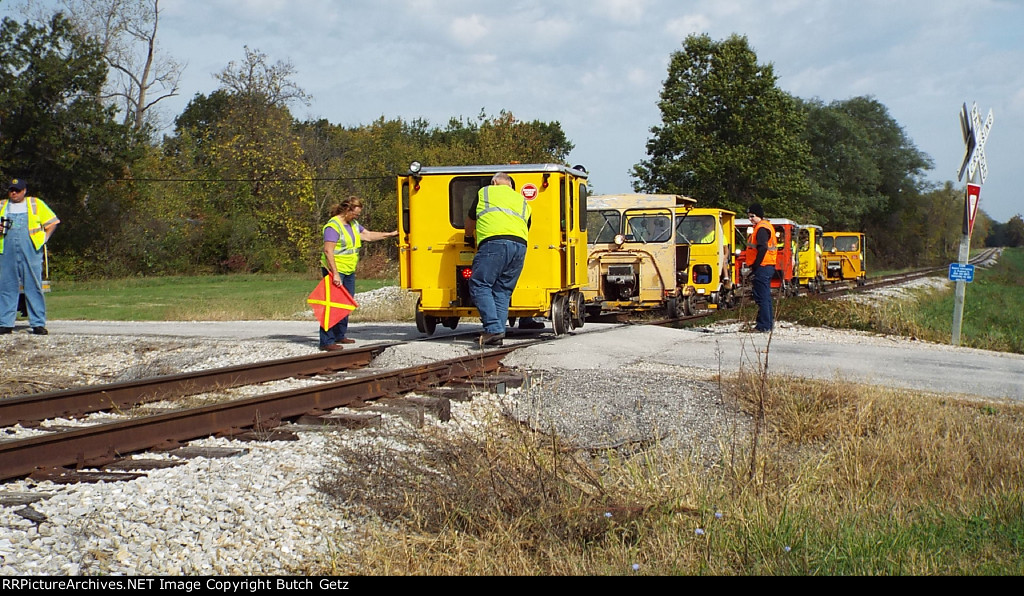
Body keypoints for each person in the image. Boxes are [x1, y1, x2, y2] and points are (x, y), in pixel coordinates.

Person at [319, 196, 398, 351]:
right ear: (347, 210)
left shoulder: (353, 225)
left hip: (348, 269)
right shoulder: (333, 226)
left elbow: (368, 235)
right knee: (332, 304)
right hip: (335, 270)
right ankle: (326, 341)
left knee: (346, 302)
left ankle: (339, 335)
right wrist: (335, 274)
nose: (357, 217)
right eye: (355, 214)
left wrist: (390, 234)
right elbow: (328, 251)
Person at [465, 172, 531, 347]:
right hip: (520, 247)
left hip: (494, 243)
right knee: (502, 290)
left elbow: (471, 219)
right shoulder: (522, 201)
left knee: (479, 284)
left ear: (494, 182)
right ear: (510, 185)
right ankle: (497, 332)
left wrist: (468, 237)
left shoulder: (485, 192)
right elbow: (527, 226)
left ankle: (493, 329)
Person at [0, 179, 59, 335]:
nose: (14, 193)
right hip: (6, 250)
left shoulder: (35, 203)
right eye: (12, 190)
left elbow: (53, 222)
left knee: (33, 285)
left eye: (17, 190)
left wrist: (44, 239)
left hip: (31, 249)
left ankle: (38, 323)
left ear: (24, 191)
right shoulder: (2, 205)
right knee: (6, 286)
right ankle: (5, 323)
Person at [746, 203, 777, 333]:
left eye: (752, 216)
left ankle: (763, 326)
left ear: (758, 215)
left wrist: (755, 266)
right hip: (767, 265)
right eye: (749, 216)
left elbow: (763, 247)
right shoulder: (764, 226)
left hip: (763, 266)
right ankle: (768, 324)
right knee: (765, 296)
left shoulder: (762, 228)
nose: (750, 219)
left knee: (762, 296)